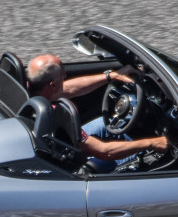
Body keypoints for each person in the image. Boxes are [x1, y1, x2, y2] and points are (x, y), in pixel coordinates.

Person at [25, 53, 169, 168]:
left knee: (106, 123)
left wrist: (111, 76)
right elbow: (105, 151)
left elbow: (68, 88)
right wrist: (152, 143)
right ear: (53, 85)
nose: (65, 77)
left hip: (54, 141)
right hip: (71, 160)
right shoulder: (57, 117)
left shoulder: (29, 93)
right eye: (63, 76)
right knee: (144, 155)